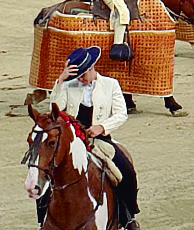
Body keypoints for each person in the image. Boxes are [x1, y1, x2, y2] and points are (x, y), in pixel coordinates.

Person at [46, 47, 140, 230]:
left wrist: (101, 127)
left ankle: (128, 216)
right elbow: (55, 111)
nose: (79, 79)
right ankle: (43, 220)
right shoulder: (67, 85)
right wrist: (61, 81)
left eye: (82, 75)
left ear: (91, 68)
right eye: (76, 75)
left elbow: (121, 114)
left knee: (126, 172)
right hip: (72, 142)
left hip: (100, 141)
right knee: (46, 176)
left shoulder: (111, 84)